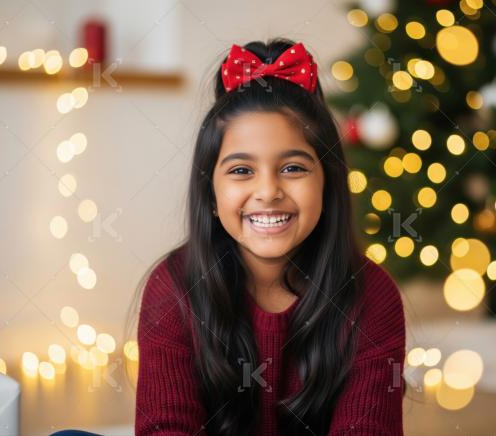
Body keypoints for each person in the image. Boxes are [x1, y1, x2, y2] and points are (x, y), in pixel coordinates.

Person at [135, 38, 406, 435]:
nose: (268, 191)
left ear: (328, 186)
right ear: (210, 192)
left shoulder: (372, 296)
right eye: (241, 171)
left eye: (293, 168)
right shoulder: (172, 287)